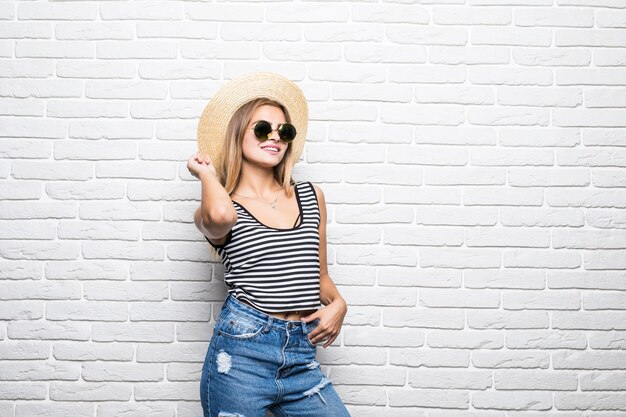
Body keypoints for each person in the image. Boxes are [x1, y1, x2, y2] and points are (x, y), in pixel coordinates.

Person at [187, 72, 351, 417]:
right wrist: (206, 174)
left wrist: (339, 305)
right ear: (238, 135)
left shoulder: (311, 196)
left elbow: (318, 276)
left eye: (284, 131)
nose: (275, 137)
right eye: (262, 129)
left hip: (301, 354)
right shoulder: (219, 207)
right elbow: (221, 217)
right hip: (241, 356)